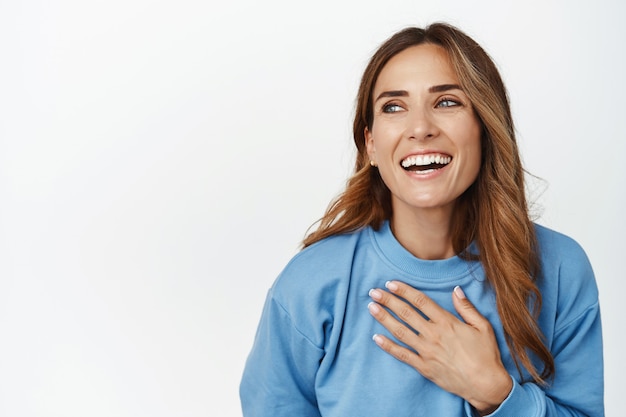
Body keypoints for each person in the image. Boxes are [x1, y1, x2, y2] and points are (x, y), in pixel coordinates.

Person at [239, 23, 604, 416]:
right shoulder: (309, 284)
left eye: (447, 102)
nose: (420, 129)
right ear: (371, 145)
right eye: (393, 107)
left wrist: (495, 392)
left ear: (485, 128)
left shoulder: (560, 268)